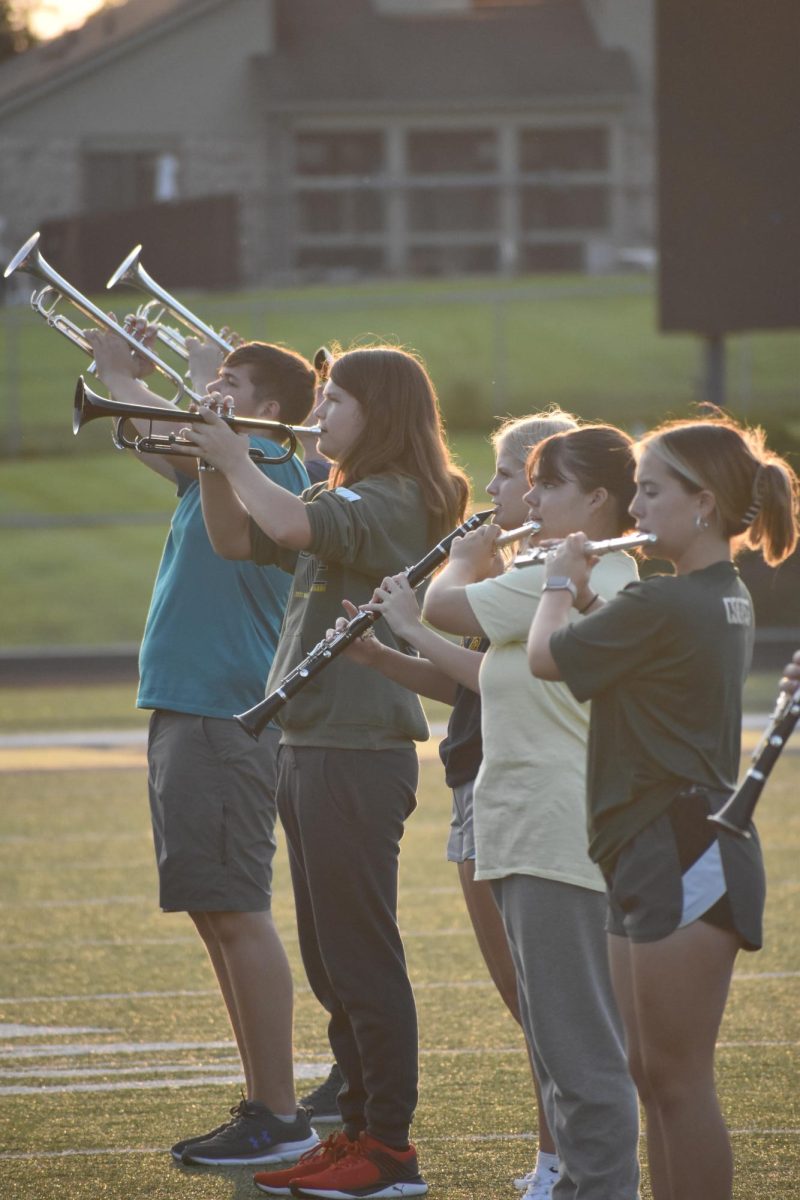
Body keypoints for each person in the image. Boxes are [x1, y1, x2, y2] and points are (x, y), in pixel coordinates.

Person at [182, 344, 469, 1199]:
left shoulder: (396, 500)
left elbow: (288, 526)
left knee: (359, 955)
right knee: (327, 957)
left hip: (355, 746)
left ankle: (389, 1148)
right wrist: (212, 460)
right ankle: (354, 1131)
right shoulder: (342, 490)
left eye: (337, 400)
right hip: (310, 738)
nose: (320, 411)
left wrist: (238, 454)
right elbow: (238, 537)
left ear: (378, 413)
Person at [527, 416, 799, 1200]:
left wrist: (552, 582)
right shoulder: (712, 594)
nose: (635, 507)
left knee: (677, 1083)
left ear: (704, 503)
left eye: (650, 490)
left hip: (680, 842)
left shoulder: (670, 601)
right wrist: (581, 597)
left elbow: (547, 658)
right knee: (652, 1076)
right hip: (654, 840)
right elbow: (639, 674)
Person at [86, 327, 322, 1168]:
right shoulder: (215, 475)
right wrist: (116, 369)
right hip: (190, 710)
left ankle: (280, 1112)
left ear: (267, 412)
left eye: (228, 385)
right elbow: (157, 435)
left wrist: (160, 384)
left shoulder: (277, 476)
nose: (210, 394)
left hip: (227, 715)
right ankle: (266, 1101)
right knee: (215, 912)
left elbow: (190, 439)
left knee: (239, 912)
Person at [335, 412, 578, 1199]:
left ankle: (564, 1160)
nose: (495, 489)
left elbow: (448, 625)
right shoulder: (520, 570)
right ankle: (558, 1155)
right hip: (479, 772)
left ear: (542, 487)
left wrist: (454, 573)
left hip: (515, 783)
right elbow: (465, 682)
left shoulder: (533, 573)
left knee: (540, 998)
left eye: (508, 476)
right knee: (525, 997)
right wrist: (380, 654)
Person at [420, 425, 643, 1200]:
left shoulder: (573, 574)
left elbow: (443, 604)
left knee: (579, 1057)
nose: (529, 498)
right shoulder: (562, 575)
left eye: (547, 483)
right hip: (526, 831)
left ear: (597, 500)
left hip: (555, 835)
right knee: (557, 1049)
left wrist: (464, 559)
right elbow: (492, 675)